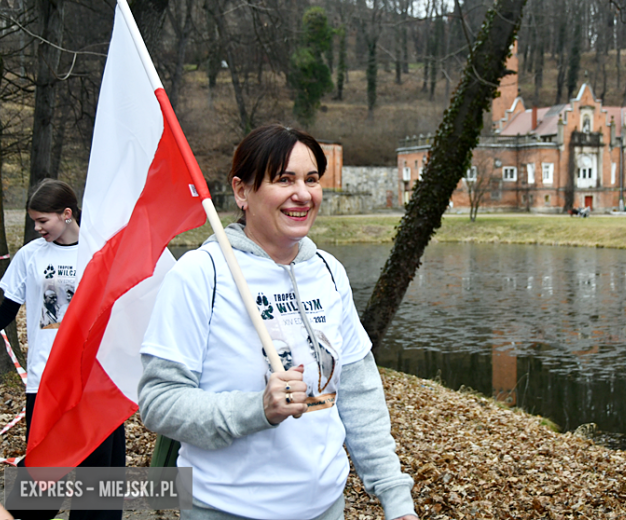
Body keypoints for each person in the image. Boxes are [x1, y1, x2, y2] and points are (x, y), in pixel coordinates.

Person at [138, 124, 419, 520]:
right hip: (224, 508)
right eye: (283, 179)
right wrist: (257, 409)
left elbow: (358, 392)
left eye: (311, 179)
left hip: (324, 508)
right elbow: (159, 402)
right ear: (242, 192)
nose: (302, 194)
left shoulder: (328, 272)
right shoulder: (201, 274)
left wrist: (395, 496)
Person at [0, 179, 125, 520]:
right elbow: (7, 312)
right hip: (46, 379)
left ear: (67, 214)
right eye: (34, 221)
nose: (37, 228)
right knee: (40, 475)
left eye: (42, 221)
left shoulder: (101, 252)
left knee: (98, 480)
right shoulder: (30, 255)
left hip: (95, 380)